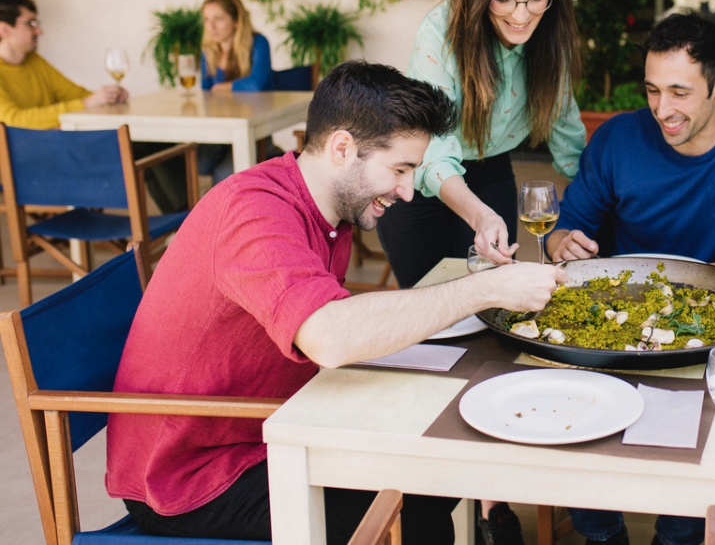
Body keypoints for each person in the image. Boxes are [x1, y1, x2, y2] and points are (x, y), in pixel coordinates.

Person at [105, 61, 566, 545]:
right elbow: (328, 335)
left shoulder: (328, 208)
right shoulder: (254, 211)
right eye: (401, 169)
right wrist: (486, 289)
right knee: (418, 516)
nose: (409, 191)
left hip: (267, 426)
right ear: (342, 148)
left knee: (437, 472)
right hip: (194, 476)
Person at [547, 11, 715, 545]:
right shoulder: (619, 138)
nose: (662, 110)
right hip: (618, 329)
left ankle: (679, 535)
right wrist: (560, 242)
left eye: (679, 93)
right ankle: (602, 534)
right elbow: (566, 228)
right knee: (571, 434)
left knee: (697, 463)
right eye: (652, 91)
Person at [375, 0, 584, 284]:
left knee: (490, 299)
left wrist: (603, 196)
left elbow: (566, 134)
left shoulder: (551, 38)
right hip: (417, 178)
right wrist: (481, 215)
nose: (521, 15)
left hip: (490, 170)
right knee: (430, 311)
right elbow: (433, 147)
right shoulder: (441, 31)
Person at [0, 0, 127, 127]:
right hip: (32, 147)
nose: (39, 31)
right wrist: (88, 103)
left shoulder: (34, 61)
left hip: (52, 142)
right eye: (31, 24)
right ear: (4, 30)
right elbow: (14, 120)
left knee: (134, 142)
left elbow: (75, 95)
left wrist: (109, 97)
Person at [196, 0, 274, 182]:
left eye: (218, 19)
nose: (211, 26)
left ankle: (223, 211)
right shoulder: (208, 51)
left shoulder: (258, 43)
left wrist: (222, 88)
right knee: (197, 164)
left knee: (224, 175)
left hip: (254, 132)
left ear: (236, 21)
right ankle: (188, 211)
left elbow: (255, 83)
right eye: (206, 20)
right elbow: (205, 92)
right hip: (219, 132)